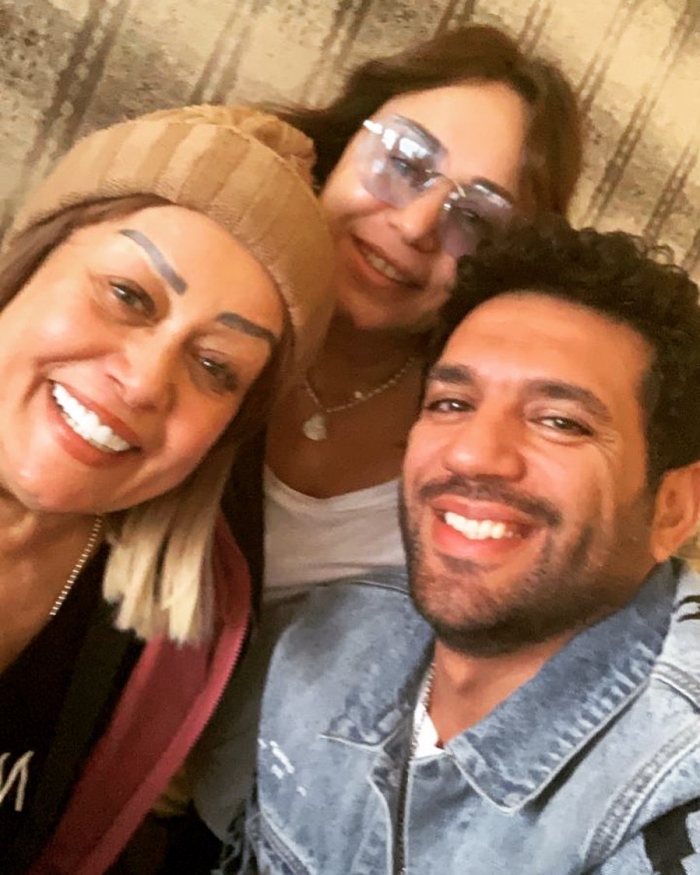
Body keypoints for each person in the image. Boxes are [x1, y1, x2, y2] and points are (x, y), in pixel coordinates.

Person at [191, 22, 584, 843]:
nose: (415, 224)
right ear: (342, 143)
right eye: (405, 160)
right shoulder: (187, 297)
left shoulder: (472, 455)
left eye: (477, 219)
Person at [221, 216, 700, 874]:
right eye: (451, 403)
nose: (474, 453)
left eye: (560, 421)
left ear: (673, 509)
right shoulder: (320, 644)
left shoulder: (674, 786)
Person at [0, 104, 334, 875]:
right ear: (27, 262)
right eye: (129, 294)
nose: (146, 381)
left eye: (216, 366)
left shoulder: (165, 647)